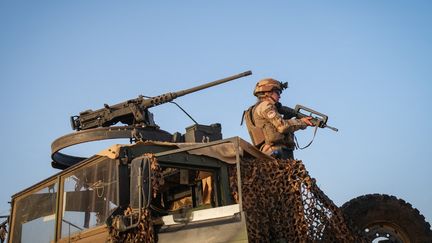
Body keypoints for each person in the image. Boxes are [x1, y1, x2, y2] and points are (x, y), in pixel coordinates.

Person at [243, 78, 314, 159]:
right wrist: (302, 122)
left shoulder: (256, 108)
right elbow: (282, 127)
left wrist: (288, 116)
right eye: (277, 92)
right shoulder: (266, 105)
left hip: (269, 152)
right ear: (267, 92)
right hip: (275, 152)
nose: (279, 96)